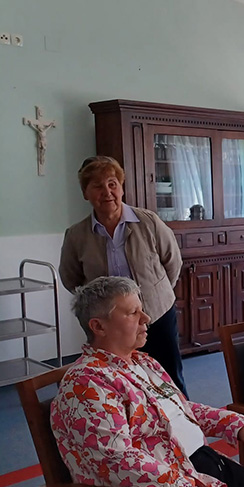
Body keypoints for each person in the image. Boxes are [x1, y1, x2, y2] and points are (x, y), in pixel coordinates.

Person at [51, 277, 244, 487]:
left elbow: (181, 410)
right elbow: (116, 460)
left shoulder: (143, 362)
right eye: (133, 313)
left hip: (198, 469)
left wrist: (236, 423)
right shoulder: (86, 384)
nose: (146, 318)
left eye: (142, 309)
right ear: (98, 326)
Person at [59, 156, 187, 395]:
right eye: (97, 186)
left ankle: (181, 416)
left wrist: (155, 294)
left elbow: (173, 261)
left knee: (168, 376)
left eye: (112, 184)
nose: (107, 192)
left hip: (156, 314)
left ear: (121, 187)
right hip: (111, 325)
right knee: (119, 381)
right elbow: (71, 279)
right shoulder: (76, 235)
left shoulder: (148, 222)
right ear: (85, 193)